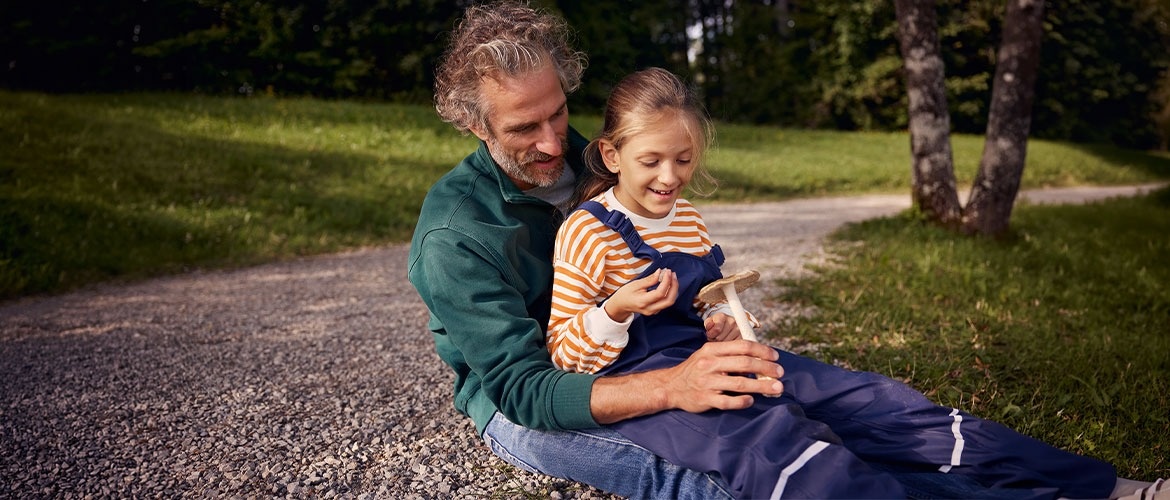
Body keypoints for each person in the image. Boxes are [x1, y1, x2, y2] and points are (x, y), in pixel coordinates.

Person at [407, 1, 1164, 498]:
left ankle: (1103, 489)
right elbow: (528, 388)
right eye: (521, 130)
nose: (552, 143)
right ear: (474, 126)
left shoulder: (601, 160)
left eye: (558, 114)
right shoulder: (456, 234)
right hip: (536, 402)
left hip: (659, 349)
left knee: (866, 409)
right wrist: (675, 387)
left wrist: (714, 328)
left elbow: (684, 250)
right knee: (739, 476)